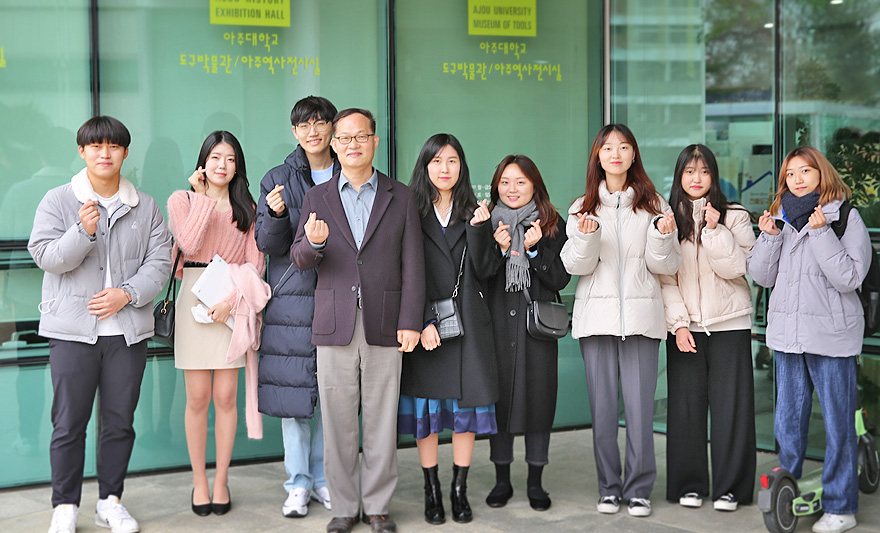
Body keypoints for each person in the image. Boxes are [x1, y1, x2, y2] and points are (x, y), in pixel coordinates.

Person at [29, 116, 172, 533]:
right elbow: (45, 256)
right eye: (96, 146)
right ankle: (65, 506)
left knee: (119, 421)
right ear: (82, 152)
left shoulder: (145, 206)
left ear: (126, 153)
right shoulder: (58, 200)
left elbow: (160, 262)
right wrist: (82, 231)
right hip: (72, 332)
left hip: (126, 333)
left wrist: (125, 294)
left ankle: (110, 501)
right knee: (69, 423)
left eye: (113, 147)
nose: (104, 153)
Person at [290, 108, 425, 533]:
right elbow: (299, 258)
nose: (352, 144)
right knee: (338, 421)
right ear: (333, 143)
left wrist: (411, 320)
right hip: (335, 323)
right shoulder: (318, 197)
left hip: (387, 322)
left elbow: (414, 265)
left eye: (360, 137)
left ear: (374, 142)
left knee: (382, 420)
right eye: (344, 138)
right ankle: (345, 507)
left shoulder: (401, 196)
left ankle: (379, 505)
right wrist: (313, 244)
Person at [560, 124, 681, 518]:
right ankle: (609, 488)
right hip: (597, 321)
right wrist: (587, 236)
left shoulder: (654, 204)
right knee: (604, 412)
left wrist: (663, 237)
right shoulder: (581, 206)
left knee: (641, 410)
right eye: (608, 147)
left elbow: (667, 265)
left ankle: (640, 489)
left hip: (643, 320)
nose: (616, 153)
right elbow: (575, 265)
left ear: (633, 155)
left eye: (624, 147)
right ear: (597, 155)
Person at [748, 146, 871, 533]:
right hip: (788, 337)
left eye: (806, 170)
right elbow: (762, 277)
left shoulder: (845, 219)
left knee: (837, 424)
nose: (797, 178)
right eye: (790, 173)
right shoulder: (780, 217)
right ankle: (790, 488)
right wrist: (767, 239)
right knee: (788, 423)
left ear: (823, 174)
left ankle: (841, 506)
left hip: (831, 337)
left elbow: (850, 277)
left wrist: (820, 234)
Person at [398, 133, 499, 525]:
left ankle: (459, 488)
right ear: (425, 167)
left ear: (462, 166)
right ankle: (432, 487)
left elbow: (488, 272)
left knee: (464, 413)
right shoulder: (410, 210)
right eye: (437, 161)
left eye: (452, 161)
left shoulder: (476, 211)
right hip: (426, 327)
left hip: (468, 327)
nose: (445, 169)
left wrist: (479, 229)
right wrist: (420, 320)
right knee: (426, 413)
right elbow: (403, 271)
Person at [167, 130, 266, 517]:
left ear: (237, 164)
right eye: (215, 158)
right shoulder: (182, 200)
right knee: (197, 399)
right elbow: (189, 245)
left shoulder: (249, 209)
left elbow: (255, 265)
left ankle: (222, 479)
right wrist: (204, 198)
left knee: (226, 397)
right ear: (203, 162)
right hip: (193, 296)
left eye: (229, 159)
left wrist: (231, 302)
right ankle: (199, 481)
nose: (222, 165)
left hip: (231, 302)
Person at [659, 144, 756, 511]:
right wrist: (680, 325)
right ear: (679, 176)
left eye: (703, 171)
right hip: (686, 329)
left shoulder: (735, 216)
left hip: (730, 325)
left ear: (713, 176)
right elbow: (665, 279)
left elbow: (738, 268)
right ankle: (689, 484)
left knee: (732, 409)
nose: (696, 178)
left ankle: (731, 488)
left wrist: (714, 230)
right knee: (686, 410)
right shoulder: (666, 219)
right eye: (689, 171)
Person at [255, 96, 339, 518]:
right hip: (293, 298)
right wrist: (273, 215)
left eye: (321, 122)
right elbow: (267, 246)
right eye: (304, 125)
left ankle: (325, 479)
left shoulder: (350, 171)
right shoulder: (278, 178)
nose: (313, 131)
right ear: (294, 132)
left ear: (332, 127)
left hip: (341, 294)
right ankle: (298, 483)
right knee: (295, 397)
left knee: (332, 394)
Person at [484, 154, 569, 512]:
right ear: (496, 186)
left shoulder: (551, 222)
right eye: (505, 182)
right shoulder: (484, 221)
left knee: (538, 403)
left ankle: (536, 482)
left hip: (537, 331)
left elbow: (562, 278)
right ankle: (502, 480)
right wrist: (501, 249)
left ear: (535, 184)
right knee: (499, 403)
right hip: (497, 326)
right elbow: (478, 272)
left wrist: (533, 251)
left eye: (520, 182)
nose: (512, 189)